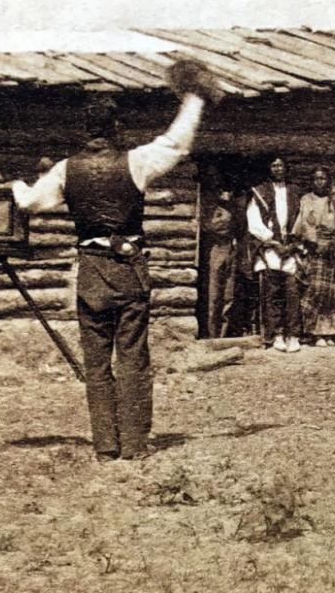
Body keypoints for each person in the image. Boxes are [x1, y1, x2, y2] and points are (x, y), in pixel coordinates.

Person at [12, 59, 221, 463]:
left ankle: (106, 446)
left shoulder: (64, 169)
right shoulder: (135, 161)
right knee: (133, 359)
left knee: (96, 362)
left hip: (90, 271)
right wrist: (194, 99)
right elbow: (177, 144)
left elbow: (27, 203)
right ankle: (136, 444)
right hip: (127, 269)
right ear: (116, 129)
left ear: (84, 131)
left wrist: (15, 184)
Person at [247, 156, 303, 352]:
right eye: (274, 165)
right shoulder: (260, 192)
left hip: (291, 248)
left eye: (281, 165)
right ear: (269, 168)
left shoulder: (295, 191)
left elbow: (302, 217)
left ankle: (293, 335)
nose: (278, 168)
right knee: (273, 293)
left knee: (292, 292)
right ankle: (277, 334)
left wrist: (292, 242)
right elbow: (254, 222)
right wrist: (272, 240)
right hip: (270, 249)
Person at [292, 167, 335, 346]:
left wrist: (332, 245)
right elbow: (303, 225)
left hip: (332, 252)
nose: (320, 182)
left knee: (332, 291)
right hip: (314, 250)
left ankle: (329, 332)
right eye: (316, 178)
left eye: (323, 178)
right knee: (314, 290)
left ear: (328, 180)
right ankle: (314, 332)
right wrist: (314, 243)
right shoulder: (306, 199)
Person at [199, 166, 243, 338]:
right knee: (214, 294)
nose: (225, 193)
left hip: (231, 248)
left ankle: (223, 334)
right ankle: (211, 334)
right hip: (216, 249)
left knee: (228, 294)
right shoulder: (209, 205)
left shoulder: (234, 208)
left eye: (228, 190)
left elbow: (241, 227)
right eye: (222, 189)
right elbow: (208, 226)